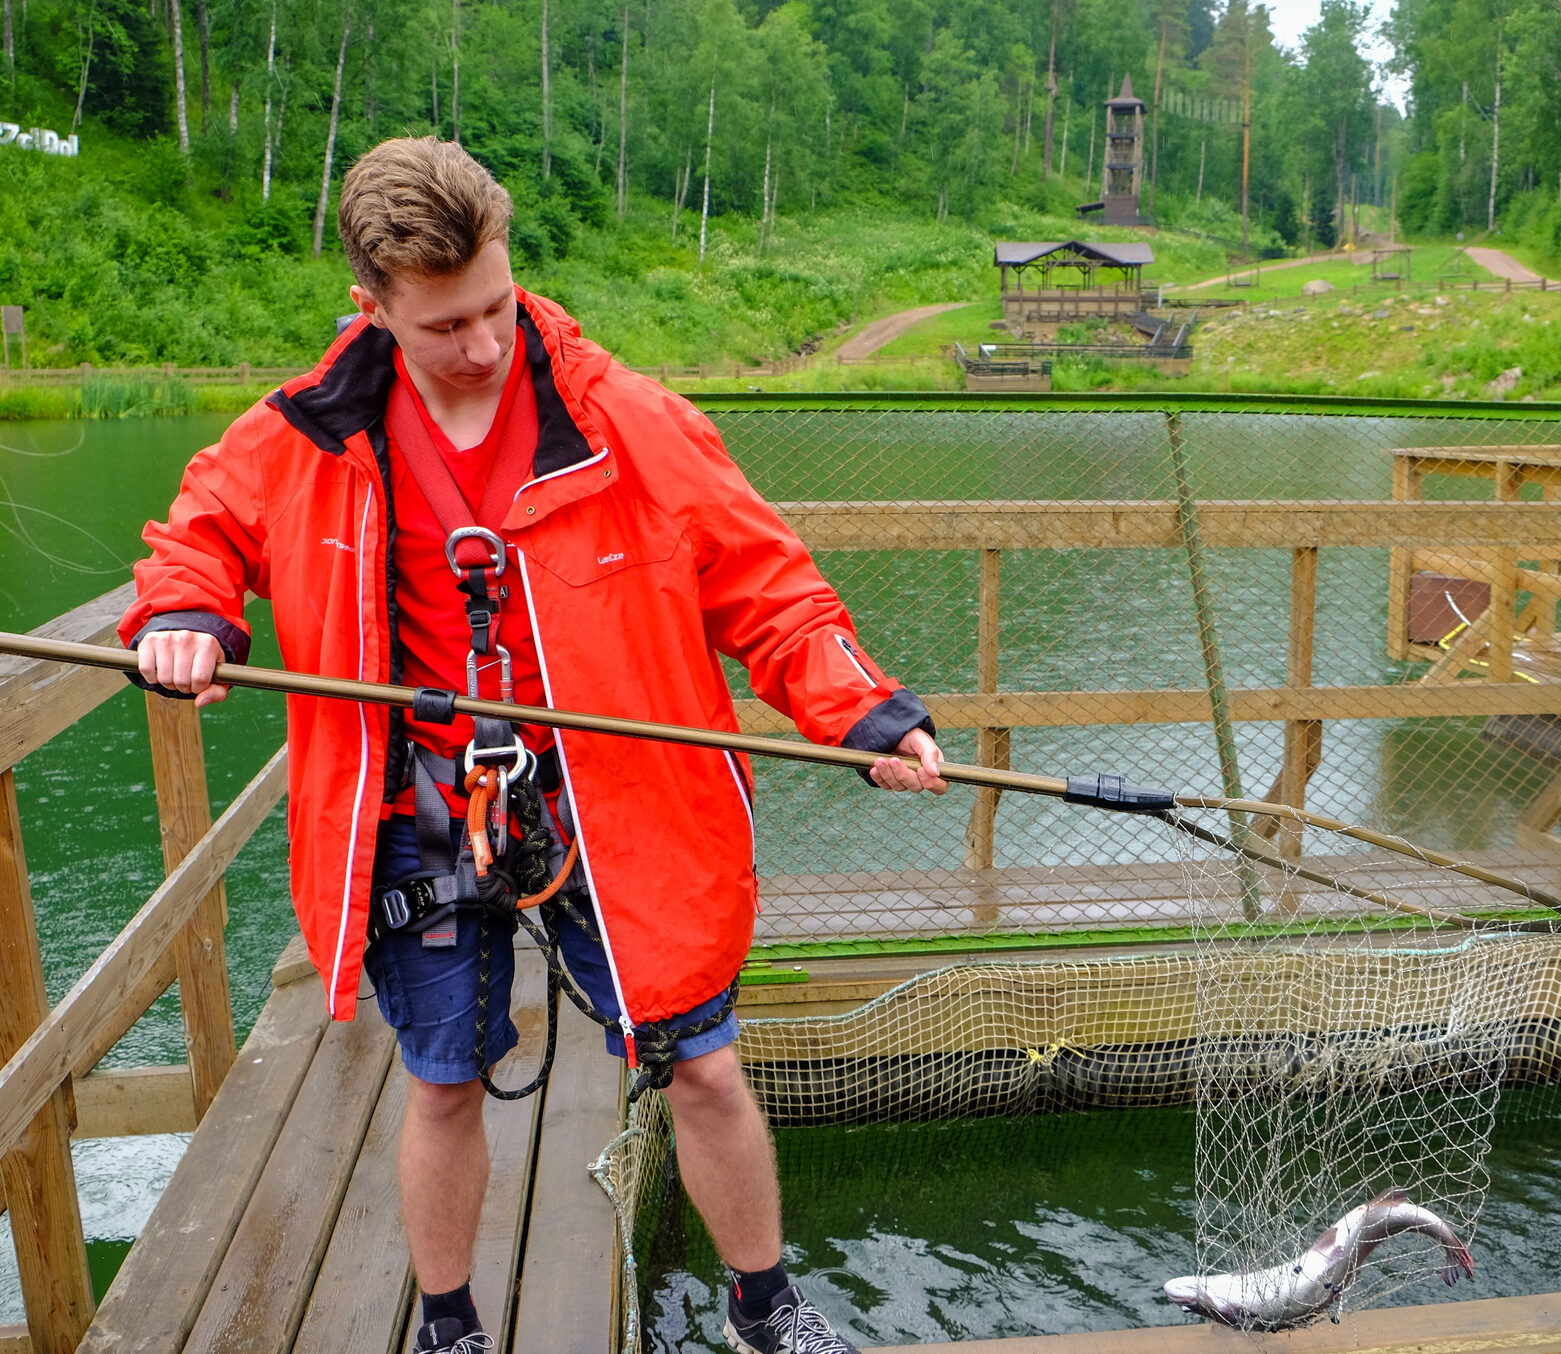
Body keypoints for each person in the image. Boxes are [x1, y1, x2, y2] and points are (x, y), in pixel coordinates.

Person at [121, 136, 947, 1354]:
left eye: (499, 304)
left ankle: (767, 1306)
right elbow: (200, 533)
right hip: (417, 814)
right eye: (447, 323)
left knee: (706, 1069)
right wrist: (187, 613)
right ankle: (450, 1327)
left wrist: (866, 710)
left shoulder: (623, 418)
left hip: (615, 805)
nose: (485, 344)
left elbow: (769, 587)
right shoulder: (307, 432)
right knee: (444, 1080)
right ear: (373, 305)